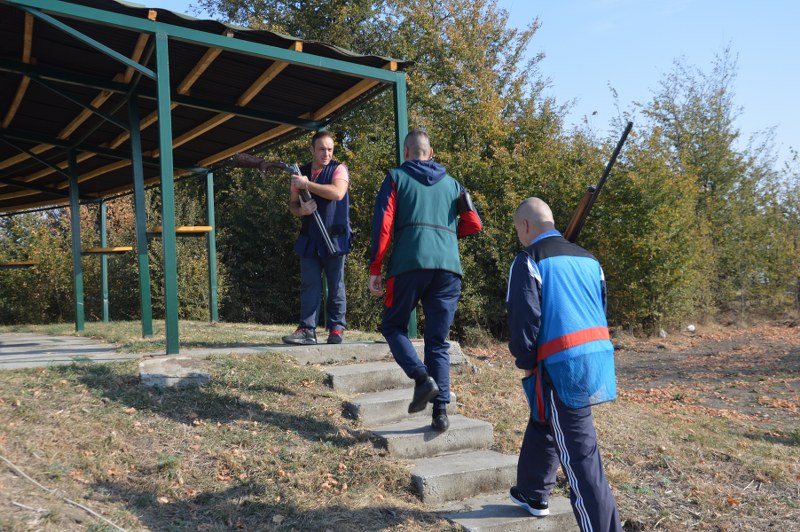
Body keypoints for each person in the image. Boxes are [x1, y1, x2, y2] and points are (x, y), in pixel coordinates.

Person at [506, 197, 621, 530]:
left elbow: (524, 318)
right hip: (595, 358)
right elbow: (599, 305)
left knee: (581, 460)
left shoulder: (529, 260)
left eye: (518, 231)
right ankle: (532, 492)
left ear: (525, 226)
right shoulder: (590, 259)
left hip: (559, 364)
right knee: (545, 416)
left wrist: (526, 361)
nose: (519, 238)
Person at [368, 129, 482, 432]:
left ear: (406, 153)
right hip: (448, 268)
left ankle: (421, 378)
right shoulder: (454, 184)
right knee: (437, 341)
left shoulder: (396, 178)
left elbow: (383, 225)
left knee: (392, 326)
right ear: (430, 154)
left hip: (409, 264)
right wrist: (445, 237)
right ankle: (440, 414)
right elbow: (474, 223)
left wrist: (375, 267)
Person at [282, 130, 351, 346]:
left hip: (334, 237)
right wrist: (301, 211)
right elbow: (293, 205)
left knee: (336, 285)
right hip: (310, 237)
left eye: (330, 149)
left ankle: (336, 329)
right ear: (312, 149)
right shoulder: (300, 173)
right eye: (322, 149)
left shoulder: (339, 169)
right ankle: (307, 330)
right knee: (309, 285)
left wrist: (307, 185)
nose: (326, 154)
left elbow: (338, 193)